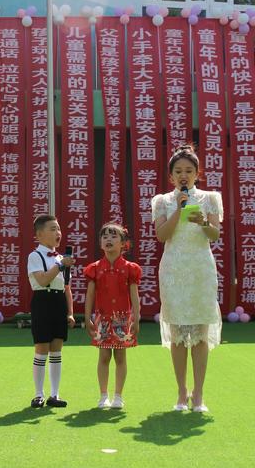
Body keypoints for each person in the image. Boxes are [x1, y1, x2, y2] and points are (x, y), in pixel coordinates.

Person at [152, 144, 223, 413]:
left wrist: (201, 221)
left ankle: (199, 395)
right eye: (178, 171)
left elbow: (214, 234)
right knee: (179, 333)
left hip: (200, 269)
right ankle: (182, 393)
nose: (184, 175)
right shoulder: (162, 201)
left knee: (200, 333)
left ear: (197, 173)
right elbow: (162, 236)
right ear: (171, 176)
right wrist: (177, 211)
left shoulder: (210, 198)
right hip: (173, 270)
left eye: (189, 171)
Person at [83, 223, 141, 409]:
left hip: (122, 319)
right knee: (104, 357)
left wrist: (136, 318)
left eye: (114, 236)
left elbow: (134, 295)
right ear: (100, 243)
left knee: (121, 358)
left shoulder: (130, 268)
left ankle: (118, 396)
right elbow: (90, 295)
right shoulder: (95, 268)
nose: (108, 239)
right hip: (102, 319)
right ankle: (103, 395)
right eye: (105, 237)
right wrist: (87, 317)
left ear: (123, 243)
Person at [27, 215, 76, 408]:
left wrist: (70, 312)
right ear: (39, 234)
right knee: (41, 349)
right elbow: (42, 280)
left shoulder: (60, 259)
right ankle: (39, 394)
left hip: (59, 302)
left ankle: (54, 395)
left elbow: (66, 287)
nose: (58, 233)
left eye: (59, 229)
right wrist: (60, 264)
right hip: (42, 301)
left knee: (57, 349)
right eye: (53, 229)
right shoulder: (35, 256)